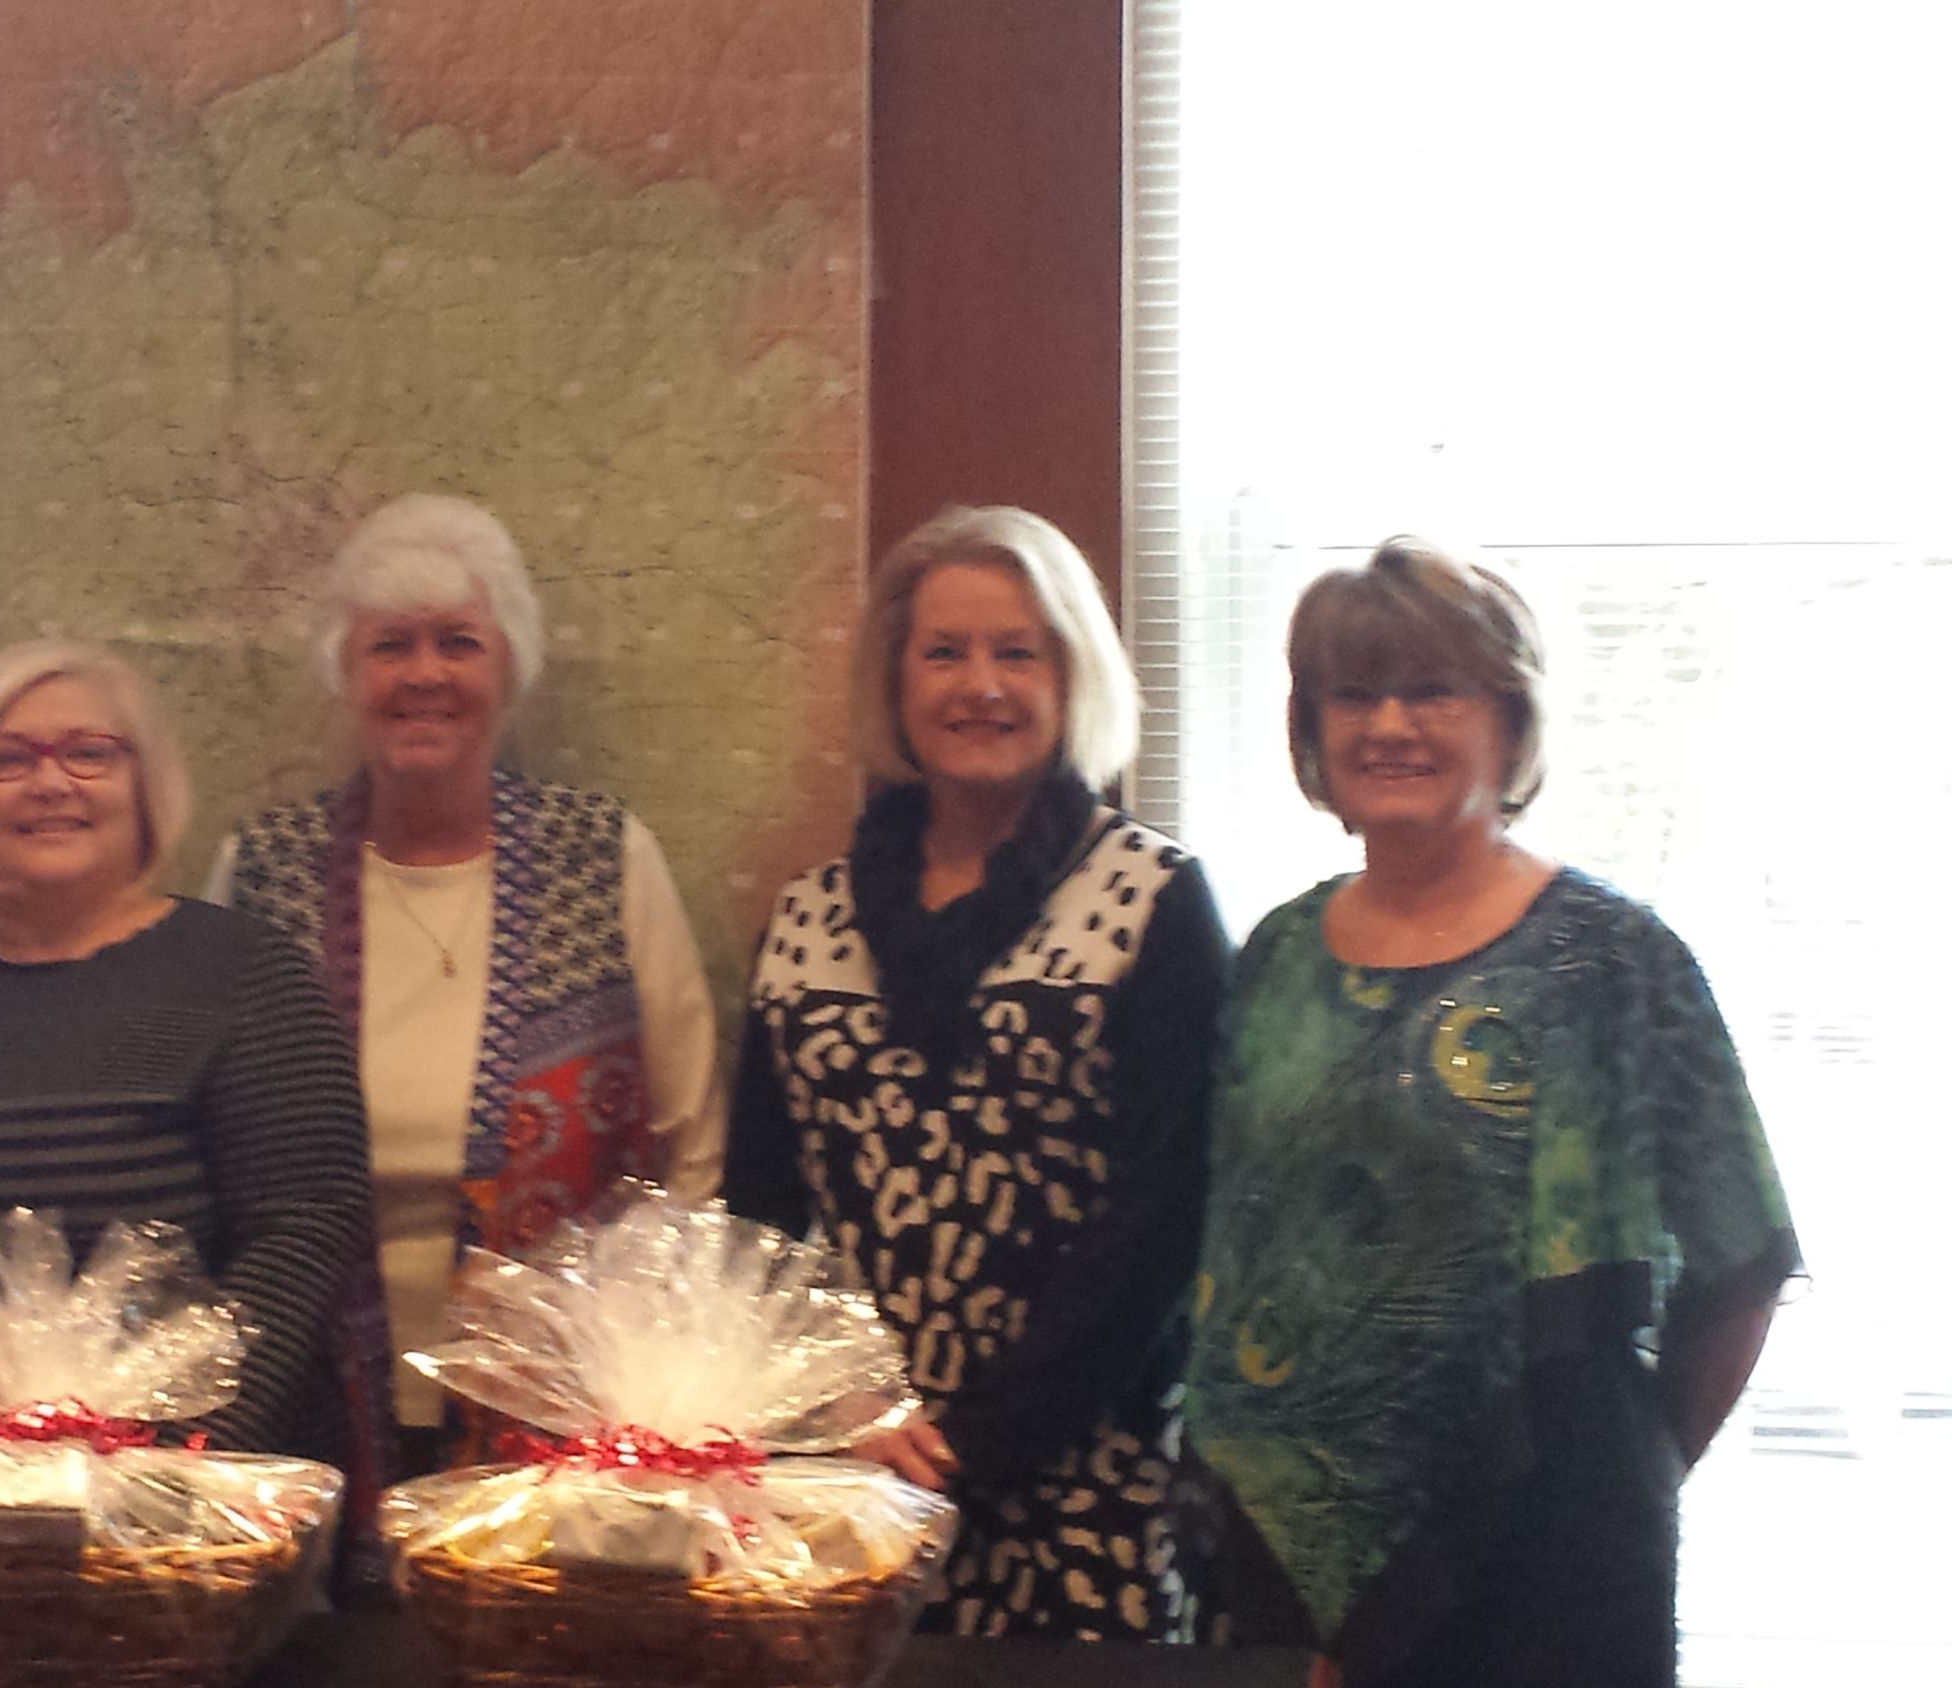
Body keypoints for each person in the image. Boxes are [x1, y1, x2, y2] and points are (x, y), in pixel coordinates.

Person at [1180, 539, 1798, 1688]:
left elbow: (1743, 1262)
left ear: (1510, 722)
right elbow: (1247, 1251)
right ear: (1310, 730)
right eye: (1353, 693)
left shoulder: (1612, 955)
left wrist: (1626, 1475)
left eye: (1432, 688)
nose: (1389, 724)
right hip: (1294, 1549)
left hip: (1554, 1558)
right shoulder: (1275, 954)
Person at [724, 503, 1227, 1641]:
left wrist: (970, 1443)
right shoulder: (806, 916)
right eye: (943, 651)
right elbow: (762, 1213)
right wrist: (847, 1411)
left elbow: (1162, 1216)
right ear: (895, 681)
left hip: (1087, 1480)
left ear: (1071, 673)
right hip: (840, 1478)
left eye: (1017, 650)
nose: (979, 684)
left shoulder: (1153, 896)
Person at [207, 493, 723, 1473]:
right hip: (300, 1414)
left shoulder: (604, 856)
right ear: (345, 674)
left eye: (459, 642)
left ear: (511, 669)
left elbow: (689, 1144)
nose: (425, 675)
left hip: (564, 1417)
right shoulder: (262, 870)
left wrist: (658, 1377)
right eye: (391, 645)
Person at [0, 641, 372, 1454]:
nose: (51, 783)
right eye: (6, 760)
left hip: (193, 1505)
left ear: (144, 784)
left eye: (89, 754)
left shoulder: (247, 975)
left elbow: (305, 1230)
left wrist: (171, 1456)